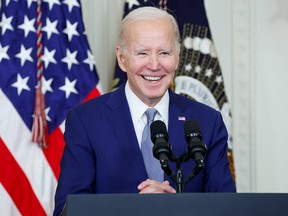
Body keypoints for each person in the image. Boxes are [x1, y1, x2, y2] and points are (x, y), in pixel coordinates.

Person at [53, 6, 236, 216]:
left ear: (177, 58)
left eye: (164, 53)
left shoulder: (207, 121)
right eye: (142, 53)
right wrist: (138, 208)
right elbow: (67, 212)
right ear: (122, 58)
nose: (155, 65)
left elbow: (227, 209)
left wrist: (176, 206)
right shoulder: (86, 121)